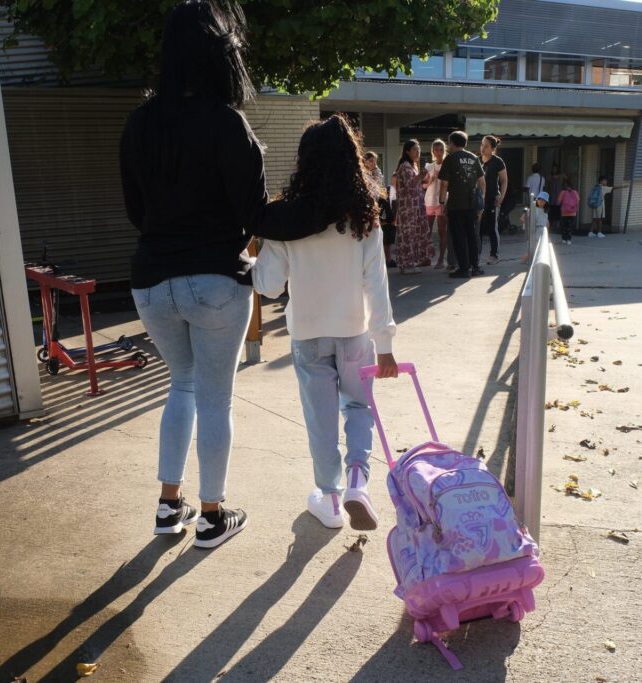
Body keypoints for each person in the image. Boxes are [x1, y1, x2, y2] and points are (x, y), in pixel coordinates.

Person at [119, 0, 326, 549]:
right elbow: (256, 216)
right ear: (221, 55)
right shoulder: (227, 123)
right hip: (215, 280)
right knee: (215, 397)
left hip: (150, 282)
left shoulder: (140, 122)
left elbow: (136, 212)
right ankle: (211, 516)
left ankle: (169, 507)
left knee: (180, 386)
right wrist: (323, 208)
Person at [252, 114, 398, 531]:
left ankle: (331, 500)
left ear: (305, 162)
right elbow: (377, 284)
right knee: (359, 407)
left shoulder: (286, 219)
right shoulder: (364, 217)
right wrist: (384, 342)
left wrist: (246, 261)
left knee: (320, 419)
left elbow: (268, 286)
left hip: (308, 334)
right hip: (354, 333)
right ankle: (357, 480)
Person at [438, 130, 486, 279]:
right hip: (472, 204)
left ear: (452, 143)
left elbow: (444, 184)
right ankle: (476, 267)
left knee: (458, 237)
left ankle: (464, 268)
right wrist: (481, 201)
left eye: (449, 143)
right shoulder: (473, 158)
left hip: (456, 204)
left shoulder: (450, 159)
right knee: (472, 235)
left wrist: (441, 202)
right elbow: (482, 182)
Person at [394, 140, 433, 273]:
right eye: (415, 149)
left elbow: (418, 186)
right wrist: (421, 176)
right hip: (408, 208)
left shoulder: (412, 165)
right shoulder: (405, 166)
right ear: (407, 151)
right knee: (408, 235)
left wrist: (425, 179)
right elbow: (410, 185)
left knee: (413, 235)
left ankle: (411, 263)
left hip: (414, 206)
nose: (418, 152)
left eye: (418, 149)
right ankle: (407, 265)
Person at [423, 139, 453, 271]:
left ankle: (441, 259)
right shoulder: (429, 166)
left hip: (442, 201)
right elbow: (423, 185)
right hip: (429, 201)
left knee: (442, 231)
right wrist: (430, 180)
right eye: (435, 149)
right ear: (432, 151)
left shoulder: (448, 165)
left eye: (441, 149)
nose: (438, 152)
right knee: (427, 231)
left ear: (444, 150)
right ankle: (427, 258)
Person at [479, 135, 508, 264]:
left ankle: (494, 255)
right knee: (478, 228)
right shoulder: (477, 160)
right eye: (482, 145)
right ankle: (476, 254)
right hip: (479, 199)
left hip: (492, 199)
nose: (483, 148)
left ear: (492, 148)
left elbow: (504, 180)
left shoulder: (498, 161)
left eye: (486, 146)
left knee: (492, 227)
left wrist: (501, 197)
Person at [365, 151, 397, 267]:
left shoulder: (378, 172)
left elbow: (380, 190)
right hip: (368, 205)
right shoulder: (363, 174)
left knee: (384, 232)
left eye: (375, 161)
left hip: (380, 204)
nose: (373, 163)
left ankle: (386, 259)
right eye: (370, 161)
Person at [557, 178, 580, 245]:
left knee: (564, 226)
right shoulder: (575, 192)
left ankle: (564, 239)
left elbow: (559, 201)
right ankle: (569, 240)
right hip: (573, 212)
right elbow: (578, 201)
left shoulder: (563, 192)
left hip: (564, 212)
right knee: (570, 227)